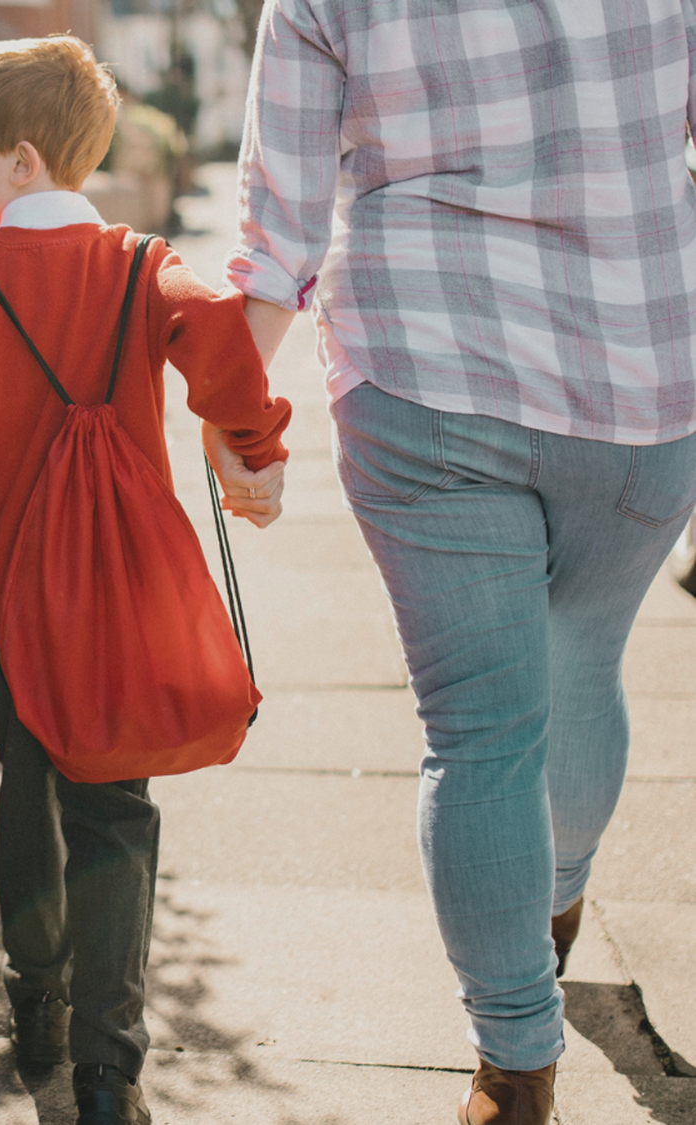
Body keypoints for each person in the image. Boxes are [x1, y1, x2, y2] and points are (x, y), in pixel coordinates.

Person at [229, 2, 696, 1122]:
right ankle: (555, 903)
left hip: (427, 368)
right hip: (643, 368)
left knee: (483, 732)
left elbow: (280, 223)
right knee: (581, 662)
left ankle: (515, 1067)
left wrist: (237, 413)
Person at [0, 35, 292, 1125]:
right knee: (117, 810)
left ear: (22, 161)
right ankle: (112, 1067)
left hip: (0, 607)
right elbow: (219, 339)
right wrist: (256, 444)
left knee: (30, 794)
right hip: (118, 604)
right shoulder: (138, 263)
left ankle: (38, 1006)